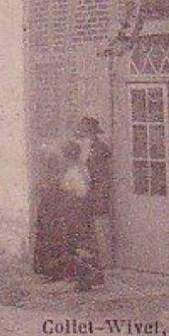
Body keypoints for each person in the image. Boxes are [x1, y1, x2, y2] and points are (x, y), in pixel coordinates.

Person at [59, 138, 102, 291]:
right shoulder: (82, 168)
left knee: (77, 244)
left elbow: (81, 191)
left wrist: (70, 197)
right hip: (82, 209)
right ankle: (85, 276)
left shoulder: (74, 171)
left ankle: (85, 278)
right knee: (83, 242)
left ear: (68, 156)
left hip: (77, 210)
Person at [76, 116, 114, 275]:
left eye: (87, 131)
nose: (85, 134)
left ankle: (106, 261)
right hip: (84, 191)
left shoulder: (101, 148)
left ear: (93, 132)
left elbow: (103, 175)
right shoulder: (82, 147)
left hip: (97, 190)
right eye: (83, 131)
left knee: (100, 224)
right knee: (86, 228)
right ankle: (91, 262)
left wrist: (100, 194)